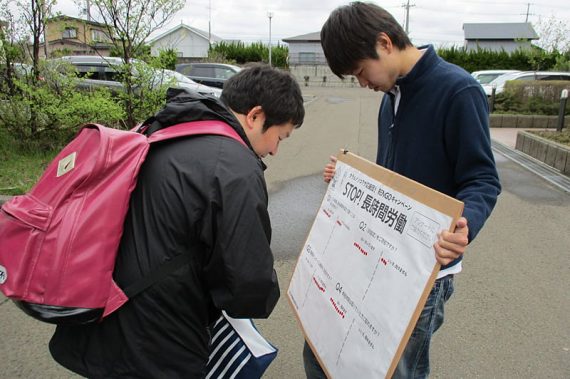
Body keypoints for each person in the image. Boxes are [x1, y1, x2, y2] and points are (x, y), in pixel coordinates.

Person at [49, 64, 305, 378]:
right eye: (281, 136)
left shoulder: (166, 127)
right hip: (156, 338)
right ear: (255, 116)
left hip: (100, 310)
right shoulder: (236, 167)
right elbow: (247, 283)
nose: (276, 150)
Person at [304, 2, 501, 378]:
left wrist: (466, 225)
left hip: (426, 271)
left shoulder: (458, 91)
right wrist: (349, 178)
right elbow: (393, 176)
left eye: (361, 71)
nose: (362, 83)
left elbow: (483, 179)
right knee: (351, 357)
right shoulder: (390, 97)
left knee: (399, 371)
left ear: (385, 42)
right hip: (384, 261)